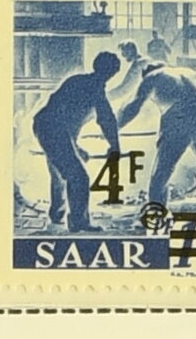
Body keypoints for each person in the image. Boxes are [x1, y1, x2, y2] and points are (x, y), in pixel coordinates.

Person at [103, 39, 196, 220]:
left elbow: (131, 107)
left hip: (177, 118)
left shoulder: (152, 77)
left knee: (160, 176)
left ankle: (157, 218)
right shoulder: (187, 72)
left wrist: (111, 128)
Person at [28, 46, 134, 236]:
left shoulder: (78, 80)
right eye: (112, 72)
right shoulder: (94, 87)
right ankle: (79, 222)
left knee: (59, 173)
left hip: (46, 126)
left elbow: (63, 115)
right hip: (52, 128)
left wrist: (74, 147)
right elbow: (106, 119)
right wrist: (115, 146)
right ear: (111, 73)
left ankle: (57, 215)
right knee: (78, 177)